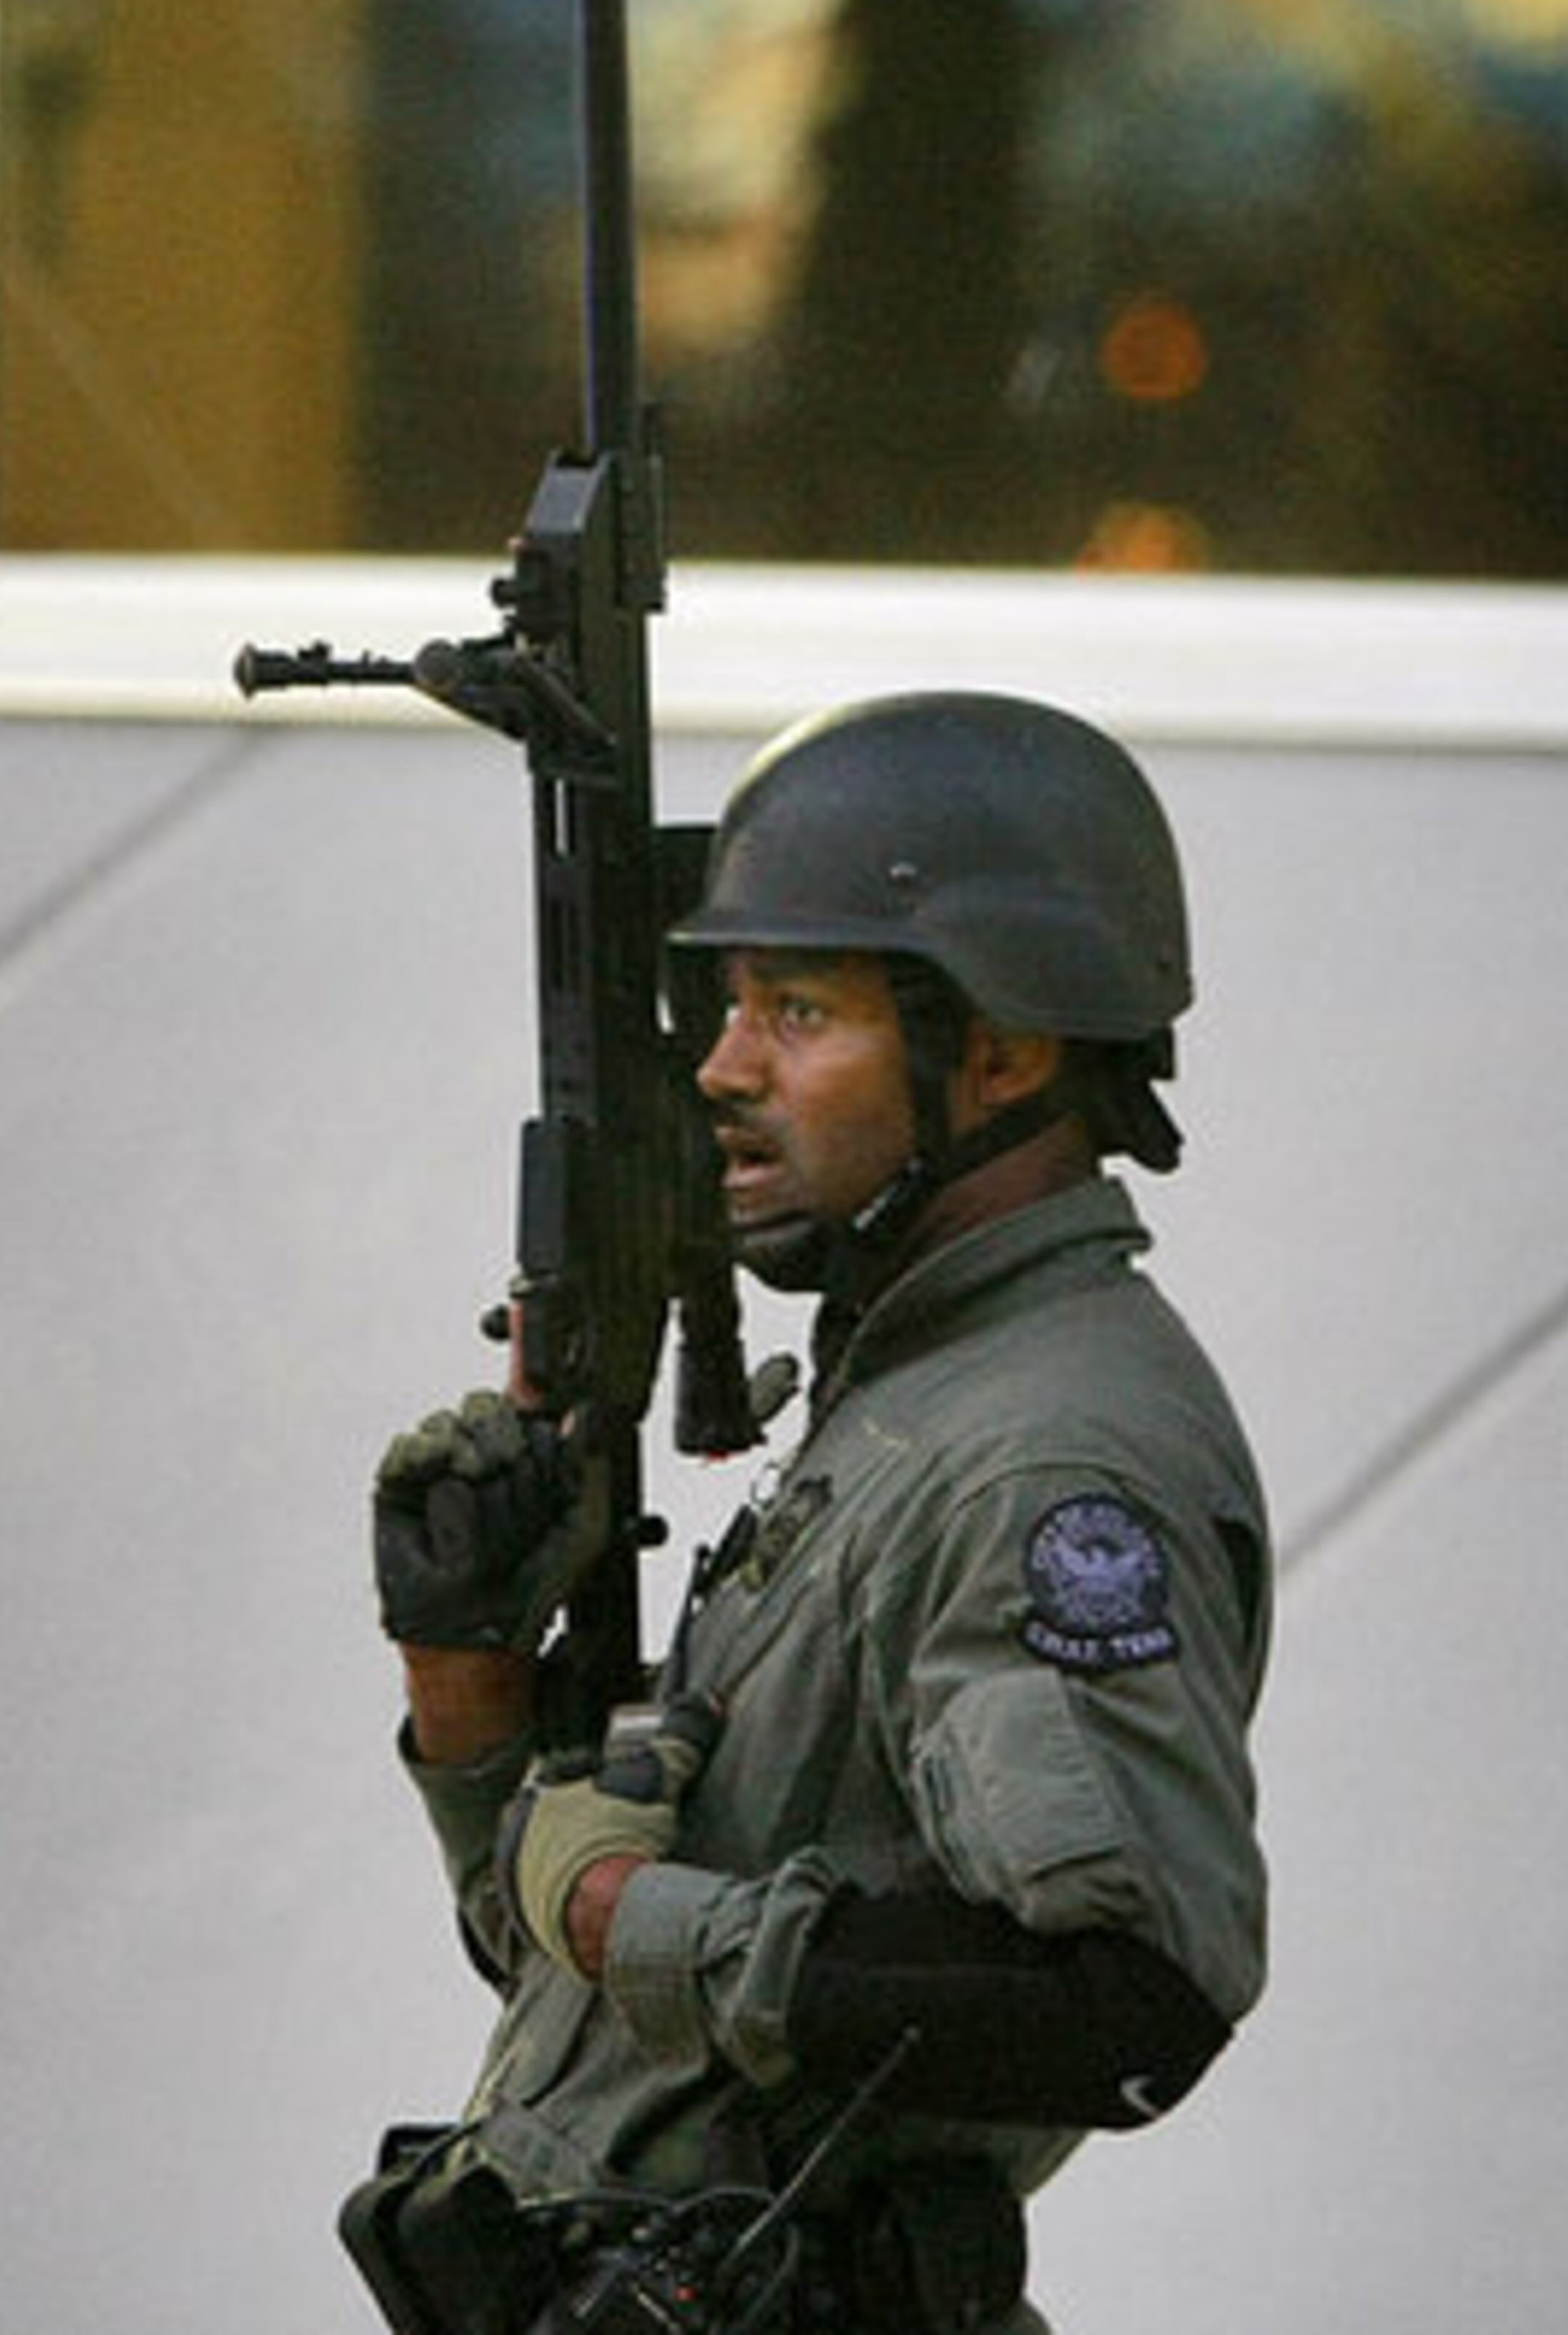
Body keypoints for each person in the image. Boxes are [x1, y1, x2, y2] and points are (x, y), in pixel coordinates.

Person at [347, 691, 1271, 2335]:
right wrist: (470, 1686)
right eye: (725, 1003)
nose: (720, 1066)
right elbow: (643, 2018)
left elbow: (1126, 2000)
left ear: (1002, 1048)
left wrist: (627, 1908)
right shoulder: (908, 1392)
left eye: (797, 1008)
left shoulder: (1037, 1454)